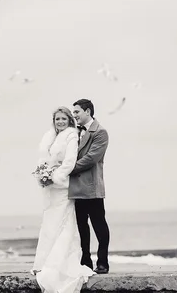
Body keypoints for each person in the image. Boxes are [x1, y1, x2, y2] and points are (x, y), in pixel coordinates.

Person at [31, 106, 95, 293]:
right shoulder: (49, 136)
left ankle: (60, 263)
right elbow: (43, 158)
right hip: (49, 187)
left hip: (62, 185)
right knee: (49, 223)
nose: (60, 122)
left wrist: (55, 177)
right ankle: (43, 262)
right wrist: (42, 175)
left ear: (69, 120)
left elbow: (69, 162)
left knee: (63, 222)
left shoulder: (71, 136)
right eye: (57, 119)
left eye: (63, 119)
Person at [69, 99, 110, 274]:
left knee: (99, 225)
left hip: (92, 188)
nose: (74, 115)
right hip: (75, 189)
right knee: (81, 227)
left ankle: (103, 261)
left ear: (87, 111)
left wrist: (66, 169)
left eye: (77, 112)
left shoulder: (100, 132)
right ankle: (85, 261)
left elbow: (91, 158)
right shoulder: (72, 132)